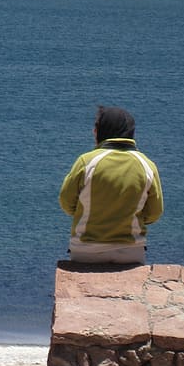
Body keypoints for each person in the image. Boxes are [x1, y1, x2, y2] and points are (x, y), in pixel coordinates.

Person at [59, 105, 163, 264]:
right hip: (131, 251)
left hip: (86, 251)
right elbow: (154, 213)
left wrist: (89, 213)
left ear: (98, 132)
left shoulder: (86, 162)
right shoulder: (146, 165)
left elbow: (66, 203)